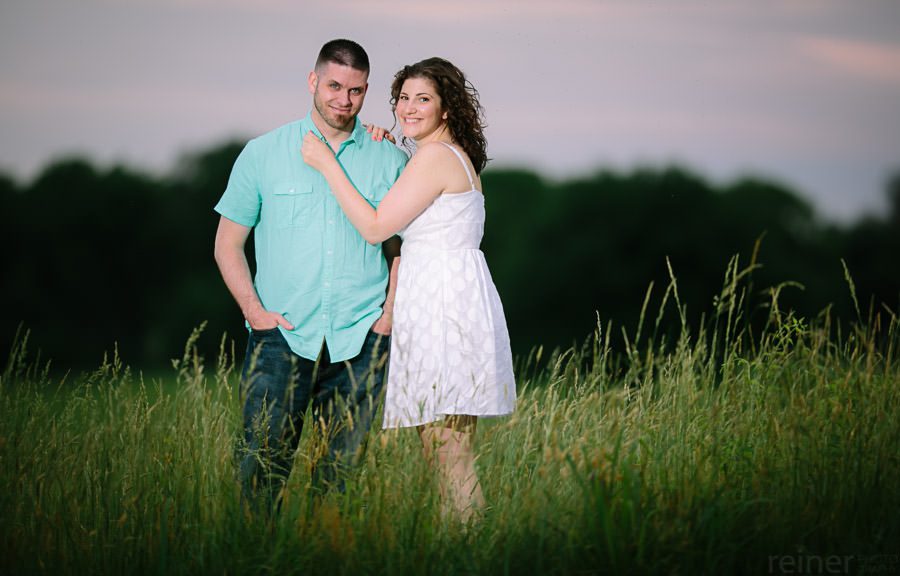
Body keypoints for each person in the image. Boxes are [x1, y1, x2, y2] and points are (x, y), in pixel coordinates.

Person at [302, 57, 516, 521]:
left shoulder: (437, 157)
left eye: (424, 99)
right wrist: (385, 144)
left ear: (446, 108)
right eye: (403, 98)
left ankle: (471, 551)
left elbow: (377, 227)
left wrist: (325, 163)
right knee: (444, 453)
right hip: (446, 298)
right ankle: (459, 549)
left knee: (449, 455)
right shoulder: (437, 155)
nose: (409, 107)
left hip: (443, 306)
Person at [213, 39, 408, 516]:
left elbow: (406, 250)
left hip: (361, 340)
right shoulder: (262, 154)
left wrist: (387, 316)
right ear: (313, 81)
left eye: (356, 91)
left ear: (367, 91)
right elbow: (227, 244)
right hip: (281, 336)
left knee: (339, 481)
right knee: (259, 473)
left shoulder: (390, 159)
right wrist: (254, 313)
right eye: (334, 86)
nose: (344, 101)